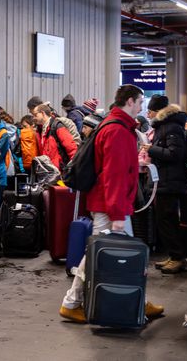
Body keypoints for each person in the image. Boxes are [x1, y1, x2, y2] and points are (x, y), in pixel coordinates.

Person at [59, 84, 163, 323]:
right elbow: (113, 175)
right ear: (129, 102)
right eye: (139, 102)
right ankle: (73, 303)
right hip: (110, 206)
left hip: (109, 204)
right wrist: (117, 213)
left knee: (97, 253)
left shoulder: (117, 127)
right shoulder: (117, 130)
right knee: (100, 254)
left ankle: (76, 302)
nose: (141, 107)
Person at [144, 102, 187, 274]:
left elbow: (175, 154)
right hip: (165, 181)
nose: (148, 115)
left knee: (168, 220)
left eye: (150, 111)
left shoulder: (172, 128)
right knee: (164, 220)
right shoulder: (166, 127)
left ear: (158, 112)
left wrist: (152, 149)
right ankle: (173, 255)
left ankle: (177, 257)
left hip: (170, 182)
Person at [32, 103, 78, 172]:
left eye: (35, 115)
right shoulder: (40, 130)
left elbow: (71, 147)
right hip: (48, 172)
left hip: (60, 172)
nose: (34, 118)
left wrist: (72, 168)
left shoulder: (57, 126)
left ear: (42, 113)